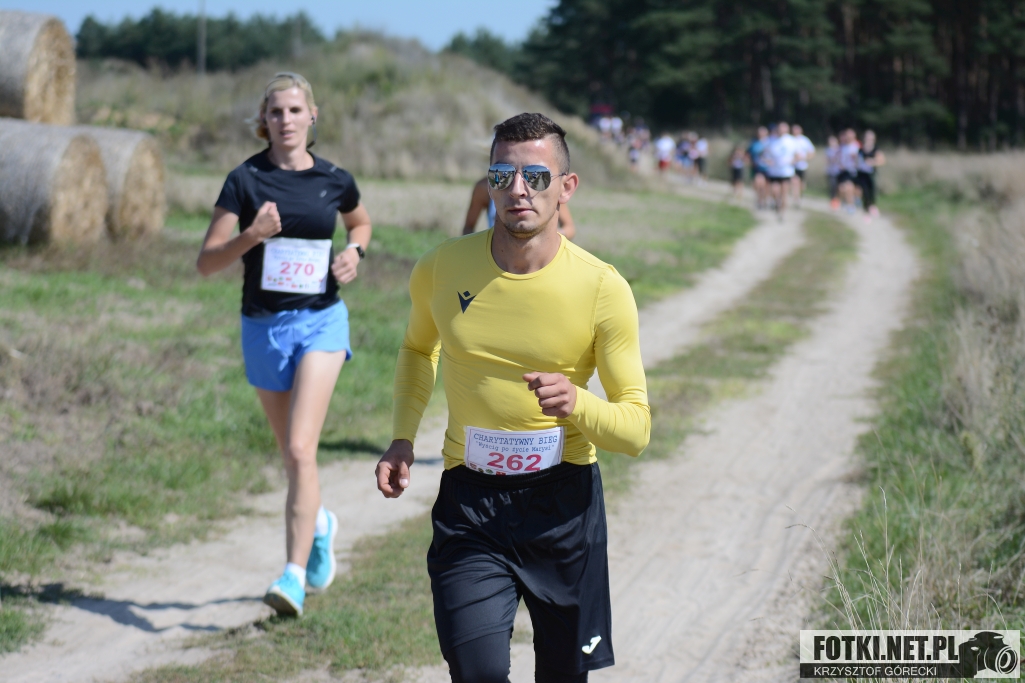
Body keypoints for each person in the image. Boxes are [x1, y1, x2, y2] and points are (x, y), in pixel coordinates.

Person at [376, 112, 650, 682]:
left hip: (564, 507)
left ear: (566, 188)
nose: (518, 190)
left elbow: (635, 430)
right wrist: (402, 437)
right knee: (477, 674)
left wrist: (577, 403)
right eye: (502, 176)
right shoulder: (442, 267)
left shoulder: (602, 288)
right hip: (471, 504)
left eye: (536, 177)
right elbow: (418, 348)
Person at [196, 72, 372, 617]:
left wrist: (355, 254)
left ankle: (291, 577)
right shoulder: (244, 181)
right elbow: (207, 262)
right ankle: (319, 525)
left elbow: (360, 224)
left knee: (300, 449)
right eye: (276, 112)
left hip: (321, 321)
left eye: (295, 110)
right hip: (263, 328)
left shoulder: (334, 179)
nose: (286, 120)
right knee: (292, 457)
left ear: (312, 116)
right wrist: (252, 235)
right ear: (263, 120)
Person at [462, 177, 576, 240]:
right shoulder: (484, 187)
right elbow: (468, 228)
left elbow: (569, 228)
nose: (517, 191)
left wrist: (544, 238)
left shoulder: (545, 185)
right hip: (497, 258)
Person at [764, 121, 798, 219]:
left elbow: (798, 155)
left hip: (786, 172)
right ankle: (776, 203)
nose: (781, 130)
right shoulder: (771, 141)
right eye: (780, 128)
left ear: (787, 129)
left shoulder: (792, 141)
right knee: (774, 191)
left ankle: (782, 213)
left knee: (784, 193)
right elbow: (765, 155)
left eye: (783, 128)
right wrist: (768, 161)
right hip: (774, 171)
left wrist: (792, 161)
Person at [856, 129, 885, 219]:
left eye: (871, 138)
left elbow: (882, 161)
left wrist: (873, 162)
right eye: (867, 138)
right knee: (864, 192)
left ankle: (872, 207)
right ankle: (866, 211)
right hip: (861, 174)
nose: (869, 140)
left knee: (872, 191)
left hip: (871, 174)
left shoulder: (876, 149)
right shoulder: (860, 150)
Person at [790, 124, 815, 207]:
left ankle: (800, 195)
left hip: (802, 166)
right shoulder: (790, 140)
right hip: (792, 166)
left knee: (802, 184)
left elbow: (811, 152)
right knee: (795, 181)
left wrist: (804, 158)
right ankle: (796, 199)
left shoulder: (805, 140)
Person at [837, 128, 861, 213]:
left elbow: (861, 158)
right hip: (845, 171)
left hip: (855, 171)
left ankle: (851, 204)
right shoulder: (842, 147)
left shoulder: (857, 146)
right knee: (843, 188)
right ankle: (849, 202)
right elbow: (839, 158)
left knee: (852, 188)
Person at [746, 126, 770, 209]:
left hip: (767, 168)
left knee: (765, 186)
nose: (760, 134)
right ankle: (759, 200)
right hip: (757, 167)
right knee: (758, 183)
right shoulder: (753, 143)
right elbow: (748, 153)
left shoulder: (770, 142)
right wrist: (749, 161)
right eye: (759, 132)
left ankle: (763, 199)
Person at [825, 135, 842, 210]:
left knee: (839, 187)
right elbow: (828, 160)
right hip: (831, 172)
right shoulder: (828, 150)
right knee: (833, 186)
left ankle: (838, 200)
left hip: (839, 171)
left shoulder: (840, 149)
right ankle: (833, 201)